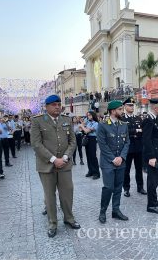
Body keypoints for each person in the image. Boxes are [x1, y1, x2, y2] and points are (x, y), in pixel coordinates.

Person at [31, 95, 80, 238]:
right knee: (50, 195)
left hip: (64, 164)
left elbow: (72, 141)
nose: (57, 107)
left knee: (67, 192)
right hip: (46, 165)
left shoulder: (66, 119)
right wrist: (53, 159)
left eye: (59, 104)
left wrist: (64, 157)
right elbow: (36, 144)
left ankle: (69, 218)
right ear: (46, 107)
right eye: (53, 105)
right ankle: (52, 223)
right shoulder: (37, 121)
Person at [97, 100, 130, 224]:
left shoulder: (124, 125)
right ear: (112, 111)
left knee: (118, 187)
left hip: (121, 162)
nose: (122, 111)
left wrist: (121, 157)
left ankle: (115, 210)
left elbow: (127, 142)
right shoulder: (103, 125)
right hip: (107, 163)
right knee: (108, 187)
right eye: (120, 109)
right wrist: (113, 159)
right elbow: (103, 145)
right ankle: (102, 211)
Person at [142, 97, 158, 214]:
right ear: (155, 107)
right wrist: (151, 157)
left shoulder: (154, 119)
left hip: (156, 155)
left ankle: (154, 201)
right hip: (152, 156)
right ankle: (151, 205)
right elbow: (146, 140)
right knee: (152, 181)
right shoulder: (148, 120)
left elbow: (153, 137)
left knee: (155, 180)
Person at [121, 97, 146, 197]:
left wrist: (135, 132)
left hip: (138, 147)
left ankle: (140, 187)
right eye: (129, 105)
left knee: (139, 169)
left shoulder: (138, 118)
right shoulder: (122, 119)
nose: (131, 107)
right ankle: (126, 188)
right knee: (126, 170)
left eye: (132, 105)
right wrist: (136, 131)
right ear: (125, 106)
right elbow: (123, 132)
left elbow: (143, 131)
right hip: (127, 148)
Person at [81, 111, 100, 179]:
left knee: (93, 156)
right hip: (87, 138)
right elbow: (82, 129)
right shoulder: (88, 122)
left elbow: (86, 131)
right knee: (88, 156)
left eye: (90, 115)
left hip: (93, 139)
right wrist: (83, 126)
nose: (88, 116)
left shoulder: (96, 123)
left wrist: (83, 126)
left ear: (93, 116)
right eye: (88, 115)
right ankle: (91, 171)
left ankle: (96, 173)